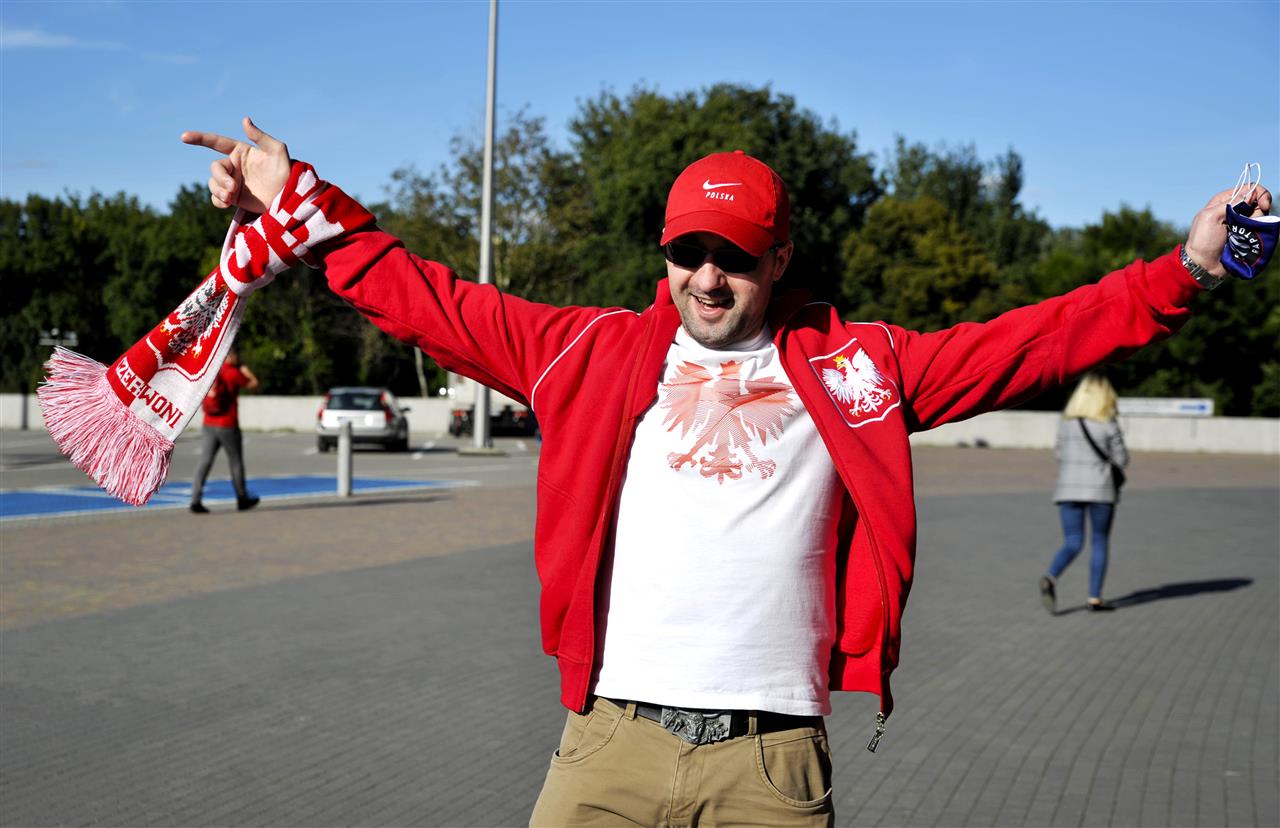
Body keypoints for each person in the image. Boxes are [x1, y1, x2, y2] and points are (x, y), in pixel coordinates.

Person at [182, 117, 1271, 826]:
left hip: (769, 767)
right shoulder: (585, 352)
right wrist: (296, 201)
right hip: (606, 750)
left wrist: (1185, 269)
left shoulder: (858, 368)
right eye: (686, 251)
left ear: (779, 258)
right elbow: (422, 295)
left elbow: (1032, 341)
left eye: (735, 256)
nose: (707, 277)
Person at [1039, 373, 1128, 614]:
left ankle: (1051, 576)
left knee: (1073, 541)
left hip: (1067, 489)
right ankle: (1094, 598)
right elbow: (1122, 460)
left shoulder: (1065, 424)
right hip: (1100, 489)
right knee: (1099, 541)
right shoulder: (1108, 424)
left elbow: (1059, 454)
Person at [190, 347, 260, 513]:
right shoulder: (233, 373)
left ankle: (195, 500)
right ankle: (242, 498)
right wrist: (245, 370)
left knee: (205, 461)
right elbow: (254, 384)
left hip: (209, 423)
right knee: (235, 461)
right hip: (228, 423)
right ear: (231, 355)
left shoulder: (213, 370)